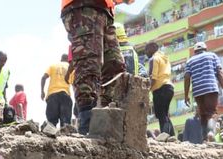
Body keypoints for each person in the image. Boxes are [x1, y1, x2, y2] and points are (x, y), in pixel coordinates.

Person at [61, 0, 132, 135]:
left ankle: (108, 118)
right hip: (84, 6)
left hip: (105, 12)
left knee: (115, 66)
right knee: (89, 63)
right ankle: (87, 124)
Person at [184, 42, 223, 141]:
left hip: (197, 91)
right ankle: (210, 133)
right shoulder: (212, 56)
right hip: (210, 87)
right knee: (211, 113)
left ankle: (204, 138)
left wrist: (186, 95)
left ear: (195, 51)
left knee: (203, 115)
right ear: (205, 49)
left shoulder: (189, 61)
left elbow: (187, 77)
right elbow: (219, 71)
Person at [145, 41, 175, 136]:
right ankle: (172, 136)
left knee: (161, 114)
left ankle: (165, 135)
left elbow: (153, 78)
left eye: (147, 49)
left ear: (154, 47)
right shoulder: (164, 58)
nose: (146, 52)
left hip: (160, 89)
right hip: (169, 87)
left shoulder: (154, 59)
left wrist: (146, 91)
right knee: (165, 114)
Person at [41, 54, 75, 128]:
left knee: (51, 124)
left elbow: (43, 78)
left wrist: (42, 92)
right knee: (65, 124)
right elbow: (74, 84)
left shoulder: (53, 66)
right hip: (65, 95)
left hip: (52, 95)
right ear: (68, 60)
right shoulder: (71, 68)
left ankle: (50, 134)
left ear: (61, 59)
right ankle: (65, 135)